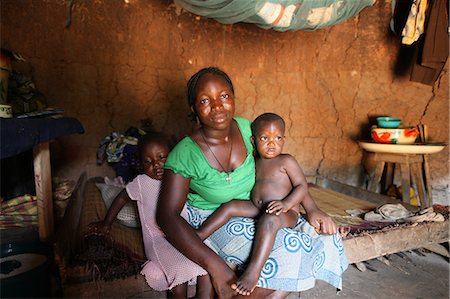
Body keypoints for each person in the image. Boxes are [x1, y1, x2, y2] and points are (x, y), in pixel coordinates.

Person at [157, 67, 348, 299]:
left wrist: (313, 209)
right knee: (291, 249)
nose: (217, 106)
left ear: (233, 98)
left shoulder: (249, 130)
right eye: (205, 100)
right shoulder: (184, 153)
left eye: (224, 96)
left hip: (254, 209)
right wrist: (215, 266)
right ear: (194, 108)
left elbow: (283, 174)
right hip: (212, 218)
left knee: (321, 240)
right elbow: (167, 216)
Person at [196, 112, 327, 296]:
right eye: (265, 138)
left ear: (284, 139)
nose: (272, 143)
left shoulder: (286, 161)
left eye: (278, 138)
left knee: (269, 221)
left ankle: (253, 272)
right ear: (253, 140)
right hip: (257, 206)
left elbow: (301, 186)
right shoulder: (253, 161)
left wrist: (286, 203)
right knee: (231, 206)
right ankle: (199, 234)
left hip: (283, 213)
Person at [90, 132, 212, 299]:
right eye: (148, 162)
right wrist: (107, 222)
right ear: (140, 164)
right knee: (179, 270)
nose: (156, 165)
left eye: (162, 158)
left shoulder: (178, 177)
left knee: (207, 267)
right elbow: (121, 198)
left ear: (173, 156)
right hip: (158, 240)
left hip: (181, 236)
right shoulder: (141, 182)